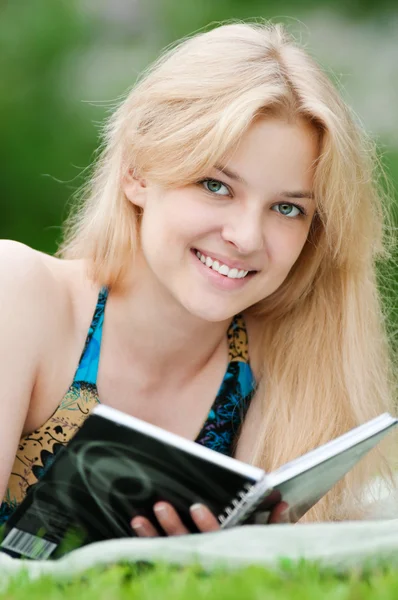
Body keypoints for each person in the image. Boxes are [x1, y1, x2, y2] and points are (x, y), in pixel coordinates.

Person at [0, 20, 396, 537]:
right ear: (137, 172)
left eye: (287, 208)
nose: (247, 236)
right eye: (216, 185)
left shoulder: (287, 359)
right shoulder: (22, 293)